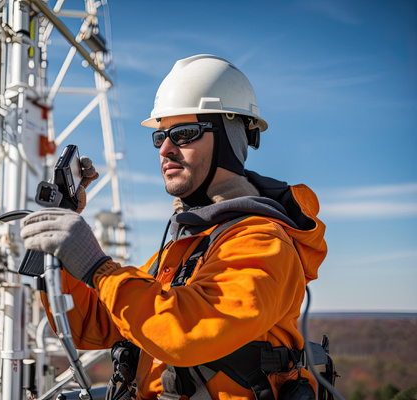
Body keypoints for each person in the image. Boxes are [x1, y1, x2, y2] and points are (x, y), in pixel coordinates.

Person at [20, 54, 328, 400]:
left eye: (183, 134)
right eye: (160, 137)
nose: (165, 149)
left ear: (229, 140)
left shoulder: (262, 243)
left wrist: (97, 267)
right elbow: (94, 326)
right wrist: (60, 256)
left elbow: (186, 333)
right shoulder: (188, 245)